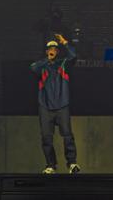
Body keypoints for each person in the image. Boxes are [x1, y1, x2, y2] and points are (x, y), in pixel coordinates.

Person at [30, 32, 80, 174]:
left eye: (55, 49)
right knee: (46, 137)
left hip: (62, 105)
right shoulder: (42, 66)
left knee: (68, 135)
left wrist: (64, 42)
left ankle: (72, 163)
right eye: (50, 49)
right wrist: (47, 59)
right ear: (47, 51)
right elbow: (32, 68)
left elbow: (74, 56)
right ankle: (50, 165)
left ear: (58, 52)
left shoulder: (63, 63)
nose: (52, 51)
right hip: (45, 107)